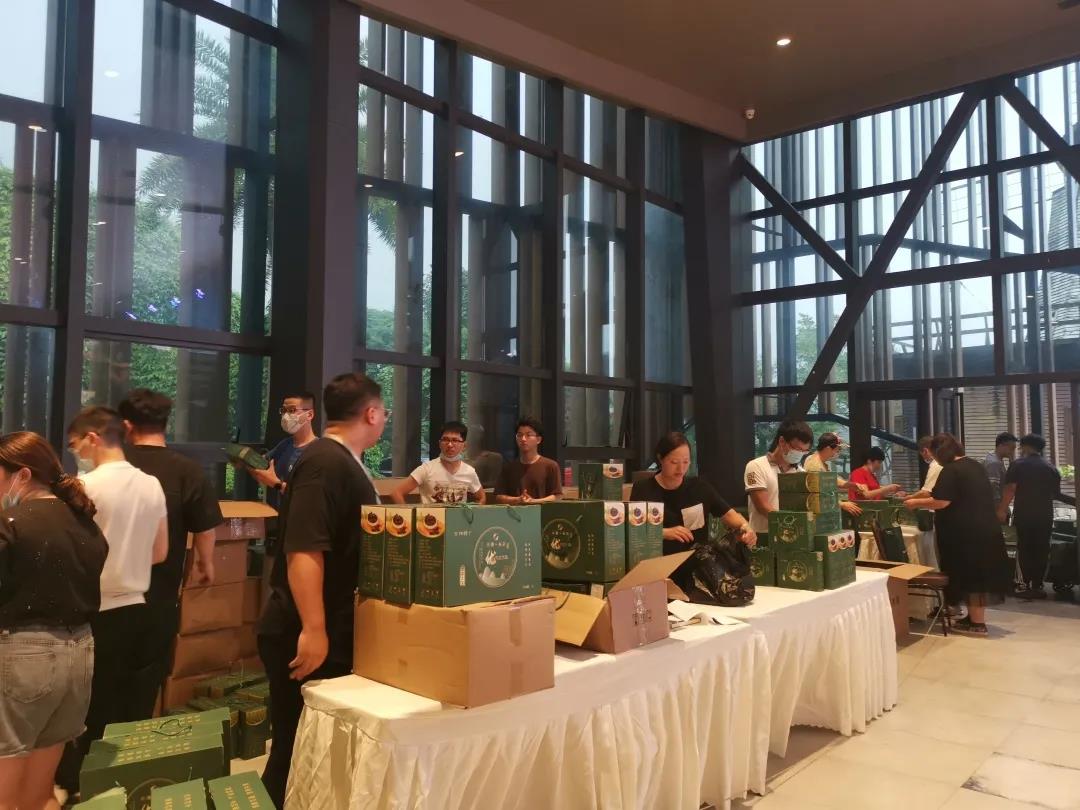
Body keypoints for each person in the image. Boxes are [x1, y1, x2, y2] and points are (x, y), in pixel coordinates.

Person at [257, 372, 385, 808]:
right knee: (295, 748)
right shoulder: (325, 462)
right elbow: (304, 548)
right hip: (304, 632)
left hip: (329, 626)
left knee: (313, 750)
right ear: (372, 413)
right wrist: (314, 628)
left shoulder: (342, 460)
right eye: (384, 412)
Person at [60, 407, 168, 792]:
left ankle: (80, 786)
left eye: (74, 444)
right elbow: (160, 552)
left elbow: (68, 554)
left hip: (94, 611)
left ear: (92, 438)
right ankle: (121, 787)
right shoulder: (151, 485)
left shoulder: (83, 486)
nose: (75, 452)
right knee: (128, 708)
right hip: (138, 608)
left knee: (87, 709)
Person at [0, 433, 107, 810]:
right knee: (40, 793)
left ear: (22, 475)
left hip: (23, 658)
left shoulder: (10, 523)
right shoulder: (85, 523)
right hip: (79, 654)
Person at [118, 389, 223, 702]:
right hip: (159, 592)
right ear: (166, 423)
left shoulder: (114, 467)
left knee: (105, 677)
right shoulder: (187, 470)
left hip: (106, 593)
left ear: (126, 425)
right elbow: (205, 528)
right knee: (146, 678)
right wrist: (205, 563)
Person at [905, 433, 1011, 635]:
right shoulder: (974, 465)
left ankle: (977, 624)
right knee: (977, 576)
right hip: (984, 529)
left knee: (971, 576)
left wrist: (914, 502)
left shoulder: (952, 470)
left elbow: (942, 501)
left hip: (966, 534)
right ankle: (974, 618)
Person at [631, 432, 755, 553]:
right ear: (660, 458)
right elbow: (633, 532)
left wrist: (745, 527)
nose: (681, 468)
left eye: (686, 462)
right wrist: (664, 533)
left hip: (697, 561)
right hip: (658, 561)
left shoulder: (699, 487)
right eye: (674, 462)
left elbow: (728, 515)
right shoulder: (643, 489)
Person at [997, 434, 1076, 600]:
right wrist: (1075, 502)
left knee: (1025, 548)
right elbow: (1056, 494)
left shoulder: (1018, 465)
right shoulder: (1051, 468)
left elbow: (1010, 489)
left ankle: (1025, 584)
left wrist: (1002, 509)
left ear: (1026, 446)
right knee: (1041, 549)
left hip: (1024, 514)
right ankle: (1037, 585)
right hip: (1045, 515)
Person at [247, 393, 318, 510]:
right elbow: (261, 466)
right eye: (284, 410)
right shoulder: (286, 444)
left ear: (309, 414)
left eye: (292, 410)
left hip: (301, 518)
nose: (286, 416)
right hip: (281, 516)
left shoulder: (317, 452)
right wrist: (244, 459)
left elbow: (308, 497)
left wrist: (276, 484)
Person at [390, 421, 486, 505]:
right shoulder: (427, 468)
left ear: (464, 446)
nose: (450, 444)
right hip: (431, 519)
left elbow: (482, 497)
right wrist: (409, 516)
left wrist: (473, 515)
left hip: (458, 520)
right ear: (440, 443)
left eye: (455, 440)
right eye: (446, 440)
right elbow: (396, 493)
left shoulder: (469, 471)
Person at [494, 417, 562, 504]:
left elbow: (557, 496)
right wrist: (518, 499)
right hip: (515, 512)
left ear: (538, 439)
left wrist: (534, 501)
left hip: (541, 512)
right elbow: (499, 496)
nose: (523, 439)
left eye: (528, 435)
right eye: (519, 435)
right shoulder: (509, 467)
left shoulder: (551, 466)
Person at [803, 432, 867, 495]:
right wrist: (842, 503)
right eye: (837, 450)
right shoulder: (815, 465)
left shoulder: (815, 460)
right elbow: (820, 491)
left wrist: (852, 486)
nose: (837, 453)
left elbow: (831, 481)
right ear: (828, 448)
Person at [983, 432, 1017, 504]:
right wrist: (1000, 507)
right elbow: (993, 489)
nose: (1013, 451)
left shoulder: (993, 456)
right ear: (1001, 445)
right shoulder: (994, 463)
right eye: (1011, 448)